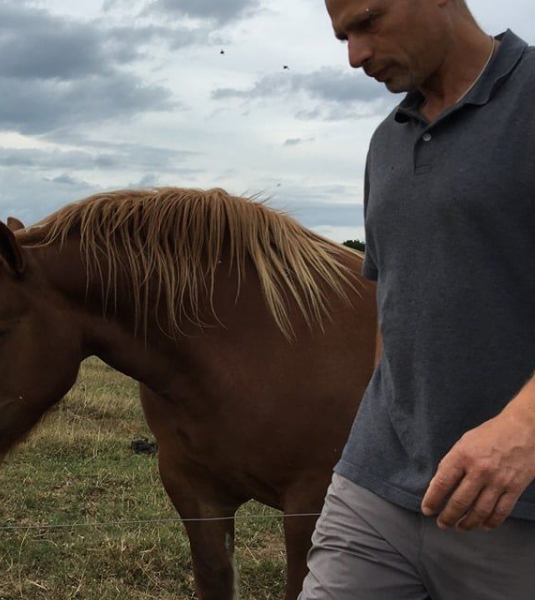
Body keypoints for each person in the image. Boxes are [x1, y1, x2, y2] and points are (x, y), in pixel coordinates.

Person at [299, 1, 535, 598]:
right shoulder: (385, 144)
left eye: (368, 22)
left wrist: (524, 428)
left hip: (517, 510)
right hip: (375, 486)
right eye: (343, 35)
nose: (354, 56)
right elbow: (393, 303)